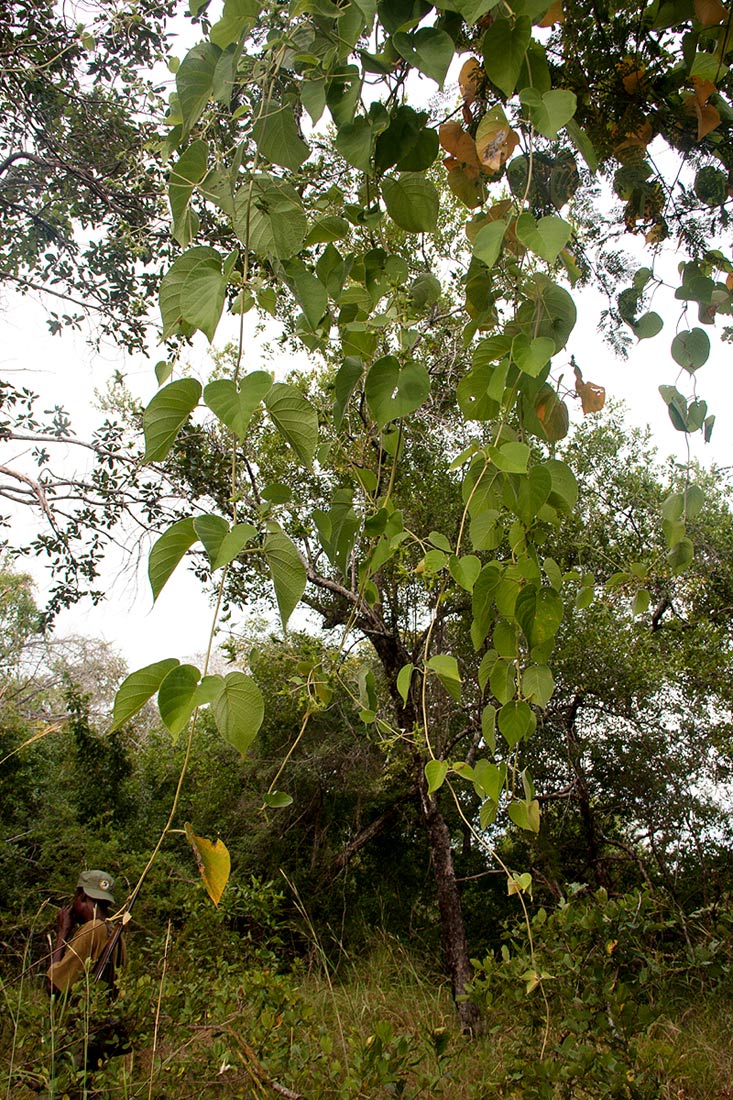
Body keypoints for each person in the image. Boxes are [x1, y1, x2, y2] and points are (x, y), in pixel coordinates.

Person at [47, 869, 126, 995]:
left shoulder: (92, 929)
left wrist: (62, 933)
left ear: (82, 896)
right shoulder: (116, 932)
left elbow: (53, 986)